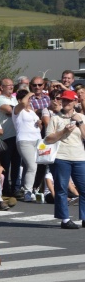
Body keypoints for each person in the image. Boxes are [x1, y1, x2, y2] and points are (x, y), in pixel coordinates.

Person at [44, 90, 85, 229]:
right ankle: (65, 219)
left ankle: (84, 217)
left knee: (83, 188)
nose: (66, 102)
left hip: (80, 157)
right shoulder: (56, 118)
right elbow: (48, 139)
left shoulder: (81, 117)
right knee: (61, 188)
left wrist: (79, 122)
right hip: (61, 157)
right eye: (64, 100)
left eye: (68, 100)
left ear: (75, 102)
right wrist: (63, 131)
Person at [13, 90, 43, 202]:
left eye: (30, 99)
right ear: (20, 100)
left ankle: (31, 188)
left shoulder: (32, 112)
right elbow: (22, 104)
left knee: (34, 166)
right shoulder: (17, 110)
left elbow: (39, 129)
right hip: (24, 141)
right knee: (32, 166)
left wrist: (39, 124)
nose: (29, 101)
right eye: (28, 99)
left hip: (37, 140)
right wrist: (30, 93)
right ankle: (27, 191)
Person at [0, 78, 20, 197]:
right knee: (5, 163)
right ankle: (5, 188)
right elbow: (10, 110)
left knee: (16, 163)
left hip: (17, 135)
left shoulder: (15, 99)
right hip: (5, 136)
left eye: (12, 85)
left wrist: (17, 108)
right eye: (7, 85)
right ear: (2, 87)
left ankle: (16, 188)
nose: (10, 87)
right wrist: (18, 108)